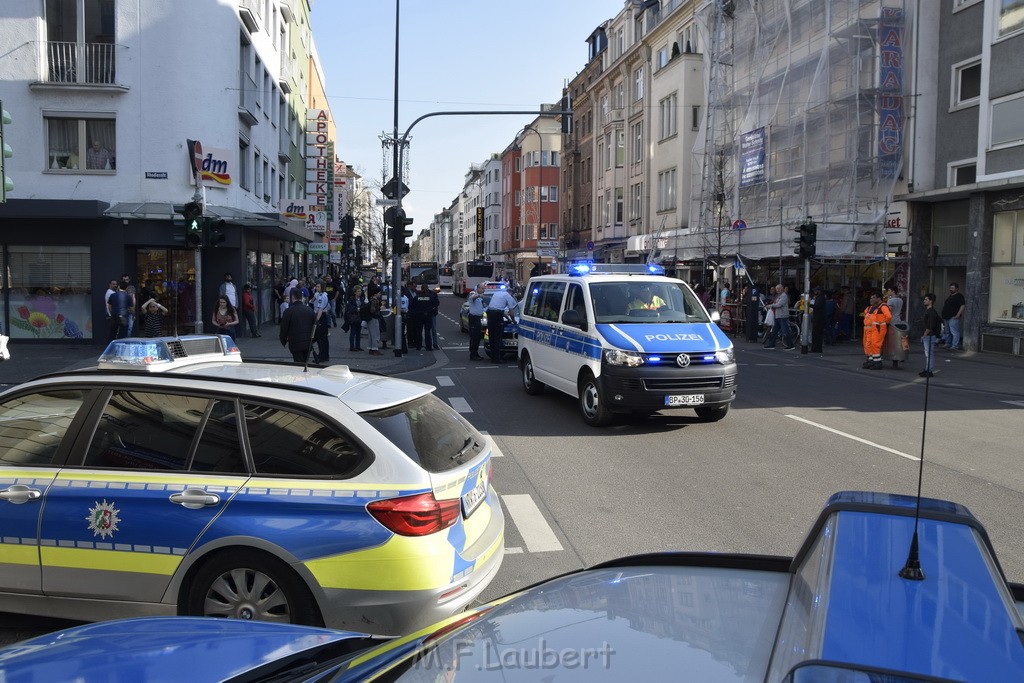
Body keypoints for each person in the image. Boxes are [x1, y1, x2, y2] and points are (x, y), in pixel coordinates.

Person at [279, 289, 316, 363]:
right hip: (307, 342)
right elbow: (315, 326)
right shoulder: (310, 310)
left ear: (293, 297)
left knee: (298, 363)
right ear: (301, 297)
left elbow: (284, 328)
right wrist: (313, 339)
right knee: (305, 362)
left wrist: (283, 340)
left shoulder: (288, 311)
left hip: (295, 343)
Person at [485, 284, 518, 363]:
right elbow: (511, 312)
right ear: (511, 293)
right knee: (497, 337)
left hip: (490, 313)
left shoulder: (497, 293)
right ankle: (497, 359)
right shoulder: (508, 297)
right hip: (497, 316)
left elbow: (500, 309)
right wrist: (513, 321)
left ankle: (493, 357)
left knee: (492, 336)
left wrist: (507, 318)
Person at [861, 291, 891, 370]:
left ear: (879, 298)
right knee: (869, 345)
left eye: (873, 297)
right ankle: (872, 360)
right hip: (872, 328)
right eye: (871, 297)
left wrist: (883, 323)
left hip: (878, 328)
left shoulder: (883, 306)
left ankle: (877, 362)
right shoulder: (871, 307)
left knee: (875, 345)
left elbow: (888, 317)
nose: (871, 299)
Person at [409, 283, 439, 351]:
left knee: (418, 331)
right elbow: (435, 304)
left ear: (421, 289)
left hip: (419, 316)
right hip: (428, 316)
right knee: (427, 332)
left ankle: (418, 346)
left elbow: (411, 306)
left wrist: (415, 312)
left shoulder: (417, 297)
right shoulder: (430, 297)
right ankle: (428, 346)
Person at [764, 284, 795, 350]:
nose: (777, 290)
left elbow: (779, 304)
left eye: (779, 288)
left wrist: (771, 305)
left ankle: (791, 345)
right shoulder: (779, 296)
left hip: (782, 316)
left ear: (782, 289)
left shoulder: (784, 296)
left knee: (785, 331)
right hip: (778, 315)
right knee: (774, 331)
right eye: (777, 288)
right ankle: (771, 344)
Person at [882, 284, 906, 369]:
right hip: (898, 321)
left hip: (891, 322)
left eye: (888, 290)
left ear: (893, 291)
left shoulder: (890, 300)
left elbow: (889, 312)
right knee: (898, 340)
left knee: (890, 341)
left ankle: (889, 357)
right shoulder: (900, 300)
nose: (887, 292)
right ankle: (899, 357)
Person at [919, 292, 942, 378]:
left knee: (929, 353)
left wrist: (924, 334)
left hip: (929, 336)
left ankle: (929, 370)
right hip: (929, 335)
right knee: (928, 353)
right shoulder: (930, 311)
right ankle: (927, 369)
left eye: (926, 299)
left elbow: (930, 325)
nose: (924, 301)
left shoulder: (931, 312)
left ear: (931, 301)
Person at [940, 282, 966, 351]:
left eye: (952, 288)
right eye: (950, 288)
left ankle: (955, 346)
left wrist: (958, 314)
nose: (950, 289)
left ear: (957, 289)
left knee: (954, 332)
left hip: (953, 317)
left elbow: (962, 305)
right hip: (946, 317)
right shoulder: (950, 296)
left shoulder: (959, 296)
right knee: (947, 332)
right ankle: (948, 344)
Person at [311, 282, 331, 363]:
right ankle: (323, 355)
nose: (317, 287)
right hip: (320, 315)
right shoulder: (318, 295)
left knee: (322, 338)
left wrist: (317, 320)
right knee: (321, 338)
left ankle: (323, 356)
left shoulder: (323, 296)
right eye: (316, 286)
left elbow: (320, 309)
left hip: (321, 316)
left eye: (318, 286)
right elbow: (312, 302)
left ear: (322, 287)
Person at [467, 282, 487, 360]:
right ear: (478, 288)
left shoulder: (480, 298)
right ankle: (473, 354)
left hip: (478, 318)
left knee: (478, 336)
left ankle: (476, 353)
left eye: (484, 288)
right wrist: (479, 295)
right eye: (482, 288)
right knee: (474, 336)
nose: (483, 290)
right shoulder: (474, 295)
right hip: (473, 318)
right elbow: (473, 298)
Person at [344, 285, 364, 352]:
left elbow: (363, 306)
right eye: (358, 291)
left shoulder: (362, 299)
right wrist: (357, 309)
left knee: (358, 332)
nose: (359, 292)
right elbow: (350, 308)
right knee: (353, 332)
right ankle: (352, 347)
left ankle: (358, 346)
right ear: (355, 292)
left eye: (360, 291)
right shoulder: (351, 299)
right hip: (353, 318)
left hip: (360, 317)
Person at [810, 287, 827, 353]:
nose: (814, 292)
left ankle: (815, 349)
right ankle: (817, 349)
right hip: (819, 318)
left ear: (819, 291)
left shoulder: (820, 298)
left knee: (816, 334)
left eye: (815, 291)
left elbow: (817, 306)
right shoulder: (820, 297)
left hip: (818, 318)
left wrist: (810, 304)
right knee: (818, 334)